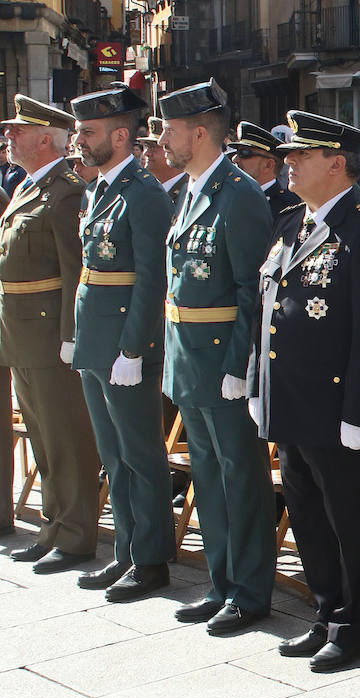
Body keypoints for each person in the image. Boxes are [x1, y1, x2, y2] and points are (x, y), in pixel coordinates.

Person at [252, 110, 360, 672]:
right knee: (309, 516)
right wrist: (256, 383)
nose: (288, 164)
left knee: (351, 522)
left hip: (343, 407)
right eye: (288, 155)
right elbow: (265, 310)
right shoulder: (291, 223)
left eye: (300, 156)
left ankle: (354, 627)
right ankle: (325, 613)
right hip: (292, 401)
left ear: (336, 163)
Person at [159, 79, 277, 636]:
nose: (162, 139)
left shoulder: (239, 195)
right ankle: (221, 582)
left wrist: (240, 367)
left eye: (171, 130)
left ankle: (250, 591)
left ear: (200, 132)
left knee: (241, 478)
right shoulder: (190, 188)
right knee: (209, 476)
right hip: (190, 357)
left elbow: (250, 293)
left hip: (222, 359)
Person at [67, 84, 176, 600]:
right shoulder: (101, 189)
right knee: (113, 456)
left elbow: (151, 280)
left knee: (140, 456)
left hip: (125, 349)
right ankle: (126, 552)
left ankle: (151, 561)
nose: (78, 140)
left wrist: (133, 350)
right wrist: (78, 336)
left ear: (119, 134)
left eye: (86, 132)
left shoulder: (145, 192)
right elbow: (90, 274)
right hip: (97, 342)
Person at [0, 95, 101, 574]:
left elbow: (74, 272)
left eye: (17, 130)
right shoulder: (25, 187)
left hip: (47, 333)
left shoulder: (65, 192)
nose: (8, 137)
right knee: (42, 435)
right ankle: (53, 525)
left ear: (46, 139)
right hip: (18, 331)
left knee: (66, 435)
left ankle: (78, 533)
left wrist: (70, 336)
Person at [228, 121, 300, 218]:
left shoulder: (288, 206)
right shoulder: (229, 197)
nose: (234, 159)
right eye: (237, 153)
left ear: (268, 165)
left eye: (244, 153)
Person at [139, 118, 188, 209]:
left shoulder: (188, 190)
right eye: (146, 146)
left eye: (153, 147)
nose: (146, 153)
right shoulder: (145, 190)